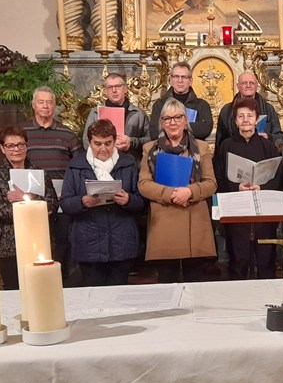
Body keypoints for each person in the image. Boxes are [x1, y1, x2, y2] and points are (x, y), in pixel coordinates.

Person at [139, 98, 218, 283]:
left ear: (185, 120)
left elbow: (211, 183)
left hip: (194, 220)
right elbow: (143, 184)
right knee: (167, 281)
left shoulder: (201, 147)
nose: (172, 123)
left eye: (177, 117)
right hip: (164, 221)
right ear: (162, 122)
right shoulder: (150, 149)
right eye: (167, 118)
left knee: (195, 282)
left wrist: (189, 192)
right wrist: (171, 195)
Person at [60, 120, 146, 287]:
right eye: (97, 144)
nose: (103, 149)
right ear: (89, 142)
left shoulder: (128, 163)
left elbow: (142, 202)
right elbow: (65, 203)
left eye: (108, 143)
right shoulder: (76, 165)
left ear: (114, 141)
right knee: (93, 295)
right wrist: (83, 201)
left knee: (119, 295)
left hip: (121, 243)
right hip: (88, 244)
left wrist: (128, 200)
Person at [213, 96, 282, 279]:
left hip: (263, 209)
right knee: (239, 257)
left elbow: (278, 177)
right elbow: (218, 176)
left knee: (266, 257)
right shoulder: (226, 146)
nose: (245, 120)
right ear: (235, 121)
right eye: (241, 116)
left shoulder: (268, 147)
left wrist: (262, 187)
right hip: (237, 207)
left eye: (250, 116)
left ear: (256, 120)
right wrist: (237, 187)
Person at [0, 126, 57, 290]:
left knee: (41, 290)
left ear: (26, 146)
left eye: (20, 144)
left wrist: (25, 198)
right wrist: (33, 208)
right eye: (10, 146)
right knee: (14, 292)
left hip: (39, 241)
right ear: (2, 148)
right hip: (8, 245)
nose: (16, 149)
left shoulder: (39, 172)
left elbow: (52, 204)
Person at [23, 86, 81, 277]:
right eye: (41, 102)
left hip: (62, 195)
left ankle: (62, 280)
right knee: (35, 242)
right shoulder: (23, 132)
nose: (46, 106)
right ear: (33, 105)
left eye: (49, 102)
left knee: (63, 242)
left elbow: (78, 166)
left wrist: (68, 191)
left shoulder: (67, 133)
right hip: (32, 197)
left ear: (55, 106)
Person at [82, 73, 151, 159]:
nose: (114, 90)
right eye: (110, 87)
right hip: (101, 162)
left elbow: (150, 140)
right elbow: (86, 140)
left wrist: (131, 141)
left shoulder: (138, 113)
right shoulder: (95, 112)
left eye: (118, 86)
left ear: (125, 89)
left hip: (130, 161)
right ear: (105, 91)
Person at [214, 70, 283, 148]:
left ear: (257, 86)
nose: (248, 86)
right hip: (234, 151)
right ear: (238, 86)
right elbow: (220, 143)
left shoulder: (268, 109)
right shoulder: (226, 111)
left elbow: (280, 137)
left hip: (263, 151)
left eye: (251, 83)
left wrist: (268, 137)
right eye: (244, 83)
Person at [148, 62, 214, 140]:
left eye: (184, 77)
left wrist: (174, 126)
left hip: (194, 146)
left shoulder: (202, 105)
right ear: (170, 80)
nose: (180, 80)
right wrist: (188, 126)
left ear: (190, 81)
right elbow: (154, 132)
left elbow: (205, 129)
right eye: (176, 76)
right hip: (166, 147)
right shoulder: (159, 105)